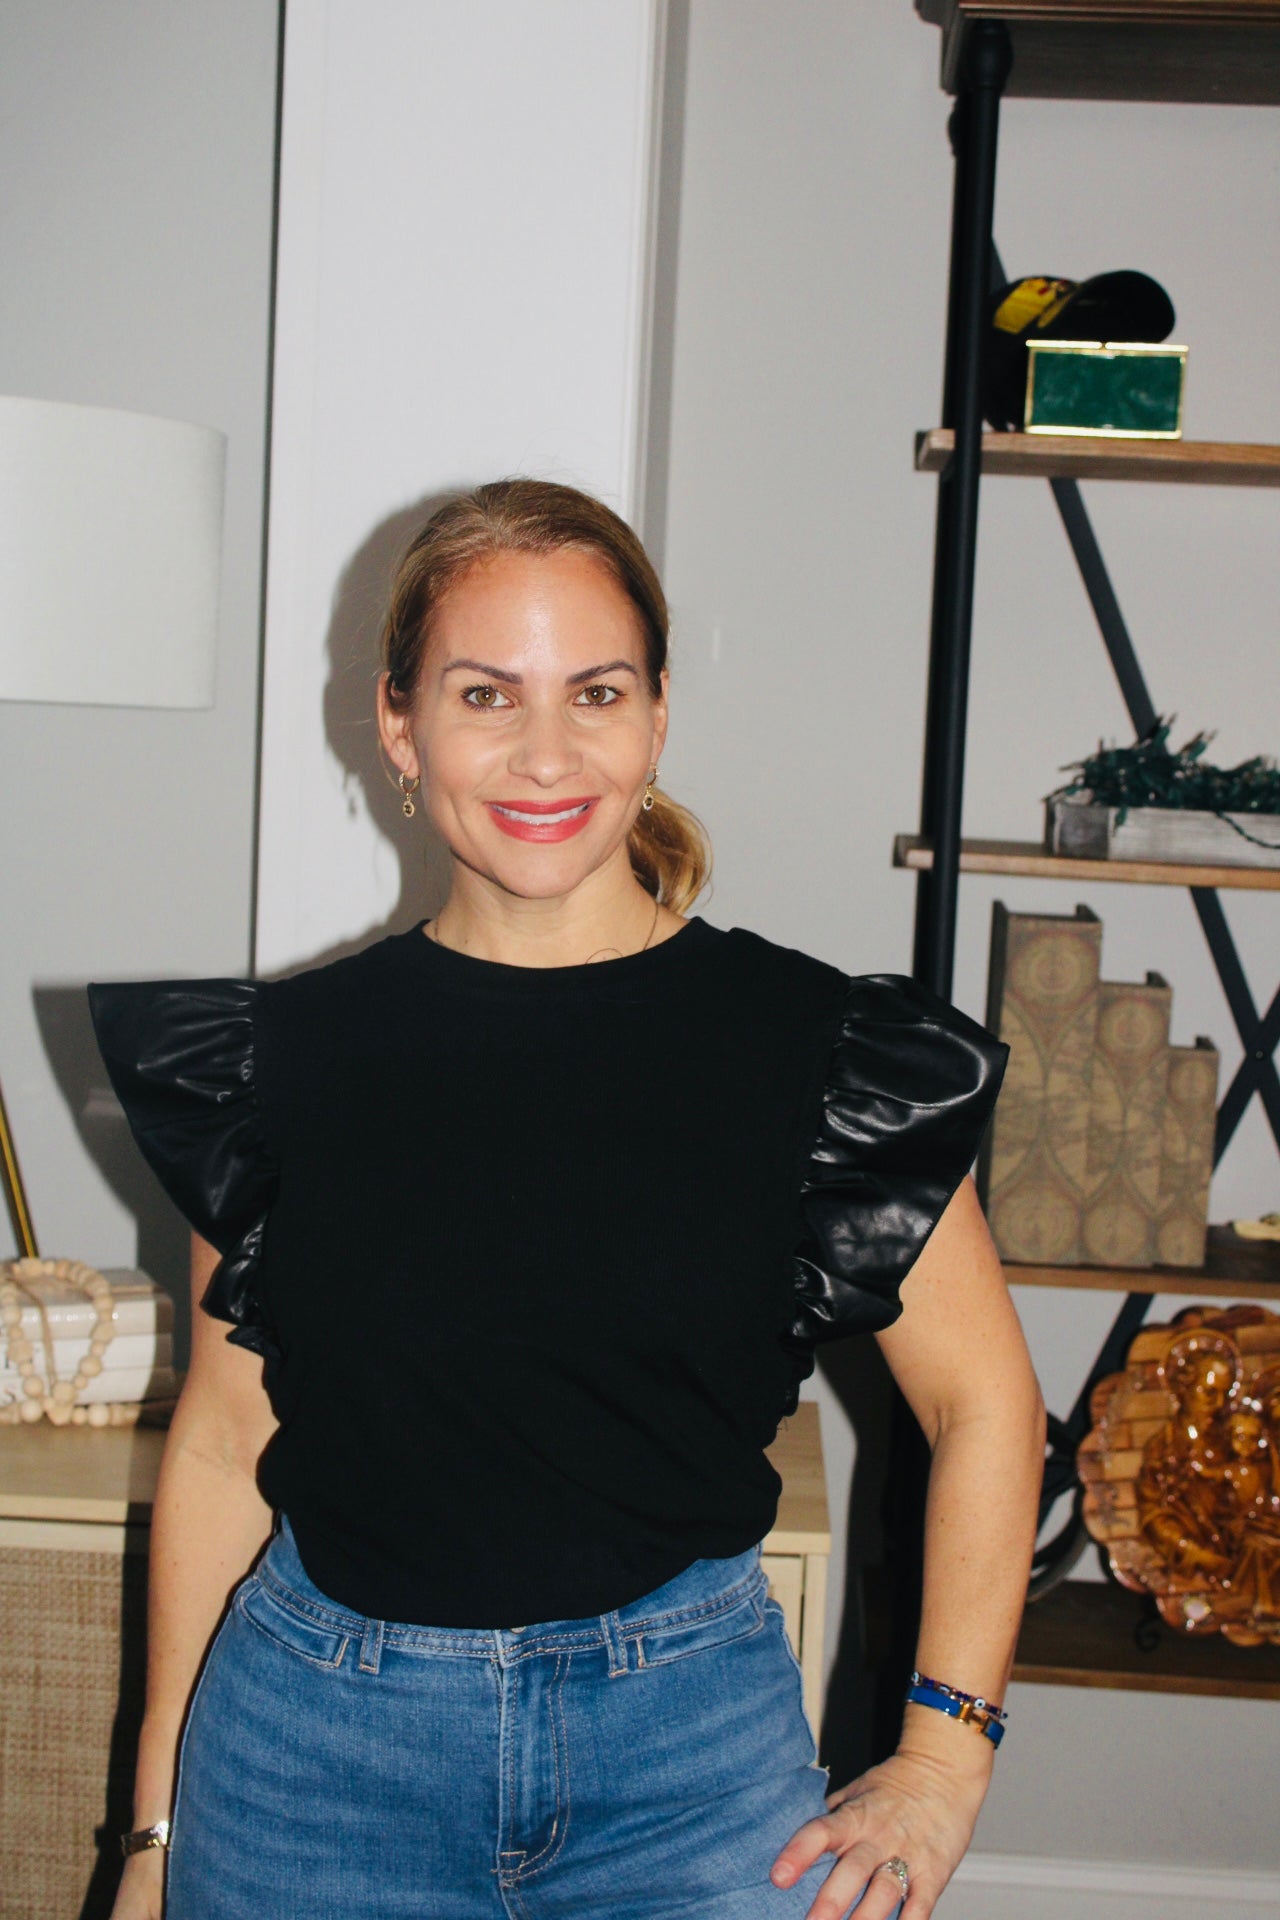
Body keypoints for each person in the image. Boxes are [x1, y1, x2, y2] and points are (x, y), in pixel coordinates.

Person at [89, 478, 1045, 1920]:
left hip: (689, 1769)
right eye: (486, 694)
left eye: (596, 692)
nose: (546, 752)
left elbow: (984, 1406)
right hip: (308, 1772)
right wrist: (152, 1835)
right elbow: (226, 1446)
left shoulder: (817, 1051)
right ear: (399, 726)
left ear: (656, 720)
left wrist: (945, 1756)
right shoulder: (278, 1062)